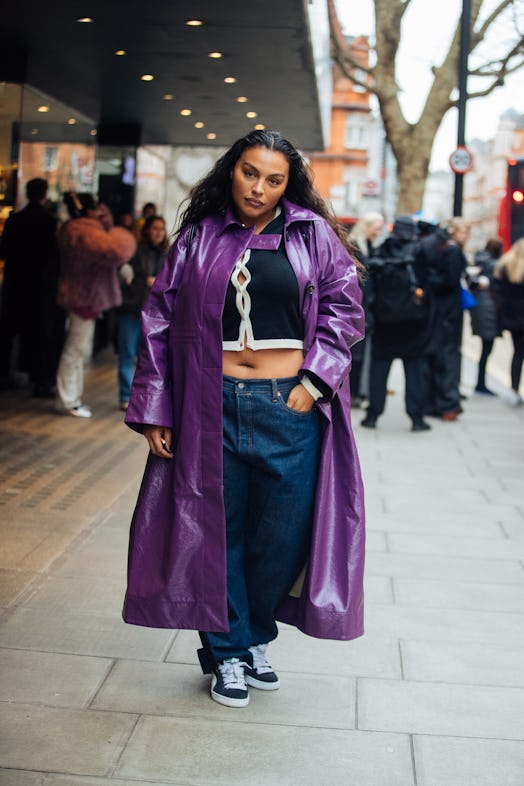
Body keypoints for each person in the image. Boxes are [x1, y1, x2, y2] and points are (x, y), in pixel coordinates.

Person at [123, 130, 366, 708]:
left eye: (274, 179)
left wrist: (314, 382)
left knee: (279, 536)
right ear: (232, 171)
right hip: (211, 402)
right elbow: (158, 319)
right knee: (216, 529)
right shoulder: (197, 239)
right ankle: (229, 652)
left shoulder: (312, 235)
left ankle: (251, 632)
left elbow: (344, 308)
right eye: (250, 173)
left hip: (290, 406)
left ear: (289, 185)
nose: (258, 188)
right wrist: (159, 406)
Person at [55, 192, 136, 417]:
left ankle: (71, 397)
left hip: (84, 295)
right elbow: (115, 249)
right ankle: (68, 400)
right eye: (97, 208)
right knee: (76, 348)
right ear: (88, 210)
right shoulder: (82, 230)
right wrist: (117, 231)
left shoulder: (79, 228)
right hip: (83, 295)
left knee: (79, 348)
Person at [361, 215, 432, 432]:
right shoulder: (419, 252)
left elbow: (370, 285)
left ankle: (373, 414)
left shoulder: (382, 250)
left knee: (379, 371)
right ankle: (416, 417)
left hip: (385, 322)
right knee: (414, 372)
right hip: (413, 323)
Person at [0, 177, 65, 396]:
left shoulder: (14, 219)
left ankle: (5, 376)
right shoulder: (49, 221)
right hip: (40, 286)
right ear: (44, 194)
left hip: (15, 283)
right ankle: (39, 381)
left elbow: (4, 250)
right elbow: (53, 257)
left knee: (9, 331)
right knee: (39, 334)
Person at [116, 215, 169, 410]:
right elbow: (123, 276)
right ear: (147, 230)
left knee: (149, 356)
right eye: (154, 228)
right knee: (127, 353)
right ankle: (125, 396)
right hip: (131, 308)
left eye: (161, 229)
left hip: (156, 313)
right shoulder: (133, 251)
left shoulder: (169, 253)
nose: (158, 232)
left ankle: (143, 397)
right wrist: (144, 280)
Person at [425, 217, 469, 421]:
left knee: (445, 356)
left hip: (445, 312)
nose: (465, 236)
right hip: (449, 312)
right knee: (447, 357)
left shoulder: (448, 250)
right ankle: (447, 403)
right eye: (462, 232)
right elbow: (450, 280)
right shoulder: (453, 250)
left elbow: (446, 280)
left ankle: (444, 402)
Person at [348, 212, 384, 407]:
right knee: (356, 354)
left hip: (364, 308)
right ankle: (352, 394)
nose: (379, 233)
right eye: (377, 228)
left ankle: (357, 393)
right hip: (356, 309)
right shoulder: (354, 247)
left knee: (360, 355)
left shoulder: (368, 247)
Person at [469, 237, 503, 395]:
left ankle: (480, 382)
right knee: (486, 350)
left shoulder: (480, 263)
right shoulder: (494, 266)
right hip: (488, 312)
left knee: (486, 350)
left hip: (482, 311)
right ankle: (480, 383)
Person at [493, 237, 524, 406]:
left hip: (512, 317)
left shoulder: (506, 266)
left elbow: (497, 290)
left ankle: (514, 388)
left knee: (518, 353)